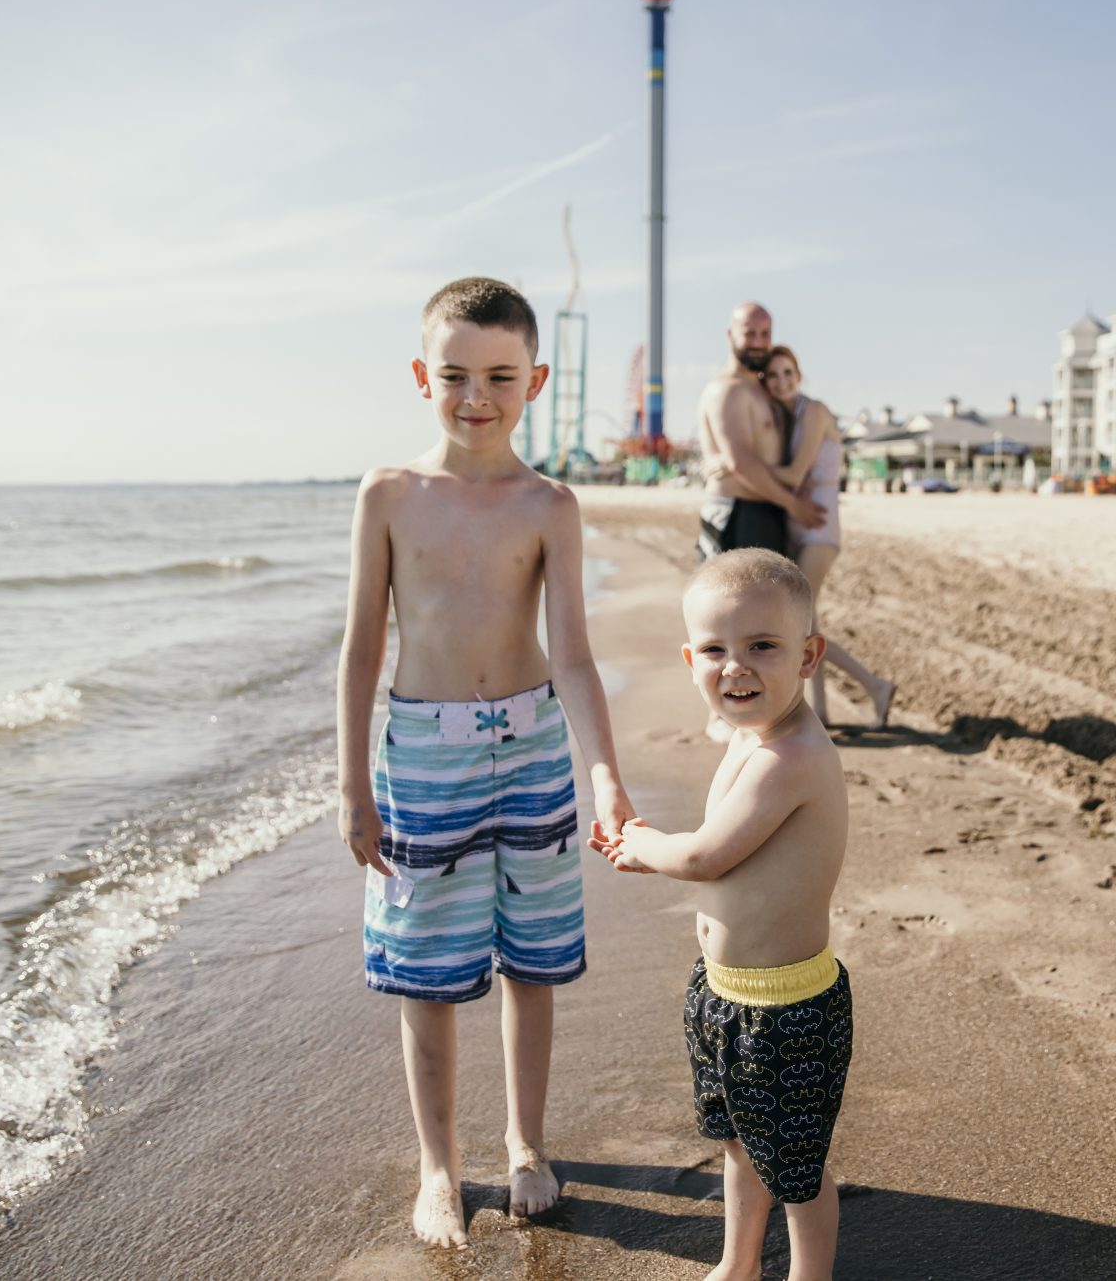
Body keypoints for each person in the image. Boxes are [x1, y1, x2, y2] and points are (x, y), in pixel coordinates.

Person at [337, 277, 636, 1248]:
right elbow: (359, 650)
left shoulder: (549, 504)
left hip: (533, 746)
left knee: (532, 961)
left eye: (499, 376)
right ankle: (437, 1167)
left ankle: (524, 1142)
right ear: (423, 374)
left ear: (534, 380)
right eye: (456, 375)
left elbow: (576, 655)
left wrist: (603, 772)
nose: (476, 396)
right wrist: (351, 785)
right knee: (426, 970)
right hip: (422, 756)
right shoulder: (388, 494)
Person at [588, 550, 852, 1281]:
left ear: (809, 654)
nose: (735, 667)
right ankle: (738, 1261)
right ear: (689, 657)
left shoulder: (790, 757)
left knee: (797, 1171)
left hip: (786, 1008)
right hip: (724, 995)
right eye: (715, 650)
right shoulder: (747, 735)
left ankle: (809, 1273)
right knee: (738, 1142)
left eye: (761, 646)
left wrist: (643, 844)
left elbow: (706, 856)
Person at [759, 345, 896, 730]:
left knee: (801, 627)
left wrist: (737, 464)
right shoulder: (784, 417)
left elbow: (795, 473)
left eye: (788, 373)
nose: (782, 381)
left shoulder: (814, 411)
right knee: (808, 625)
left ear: (799, 376)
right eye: (773, 375)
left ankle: (875, 686)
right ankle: (821, 712)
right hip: (796, 525)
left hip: (820, 525)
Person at [698, 302, 826, 561]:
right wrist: (794, 506)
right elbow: (741, 463)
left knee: (771, 600)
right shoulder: (727, 390)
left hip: (768, 510)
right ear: (730, 334)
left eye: (765, 334)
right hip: (738, 514)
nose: (758, 342)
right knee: (733, 599)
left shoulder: (762, 387)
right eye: (749, 333)